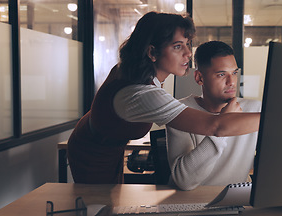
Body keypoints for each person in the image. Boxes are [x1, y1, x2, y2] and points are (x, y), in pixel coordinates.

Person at [67, 12, 260, 184]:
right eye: (177, 47)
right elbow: (217, 126)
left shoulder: (136, 75)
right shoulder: (141, 93)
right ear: (152, 52)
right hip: (92, 152)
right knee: (97, 208)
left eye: (187, 45)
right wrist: (278, 115)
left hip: (110, 144)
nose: (187, 54)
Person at [166, 41, 261, 190]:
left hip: (236, 201)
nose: (231, 82)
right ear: (199, 78)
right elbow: (184, 181)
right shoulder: (179, 111)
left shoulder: (255, 109)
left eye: (234, 73)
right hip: (191, 203)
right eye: (221, 74)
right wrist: (223, 125)